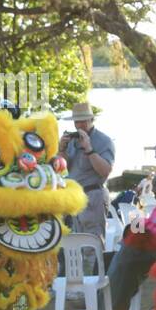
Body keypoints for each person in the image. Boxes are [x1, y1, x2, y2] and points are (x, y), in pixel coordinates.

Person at [106, 172, 156, 310]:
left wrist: (141, 232)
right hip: (145, 247)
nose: (153, 190)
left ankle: (116, 309)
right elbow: (148, 224)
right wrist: (137, 226)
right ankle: (99, 303)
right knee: (106, 258)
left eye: (155, 187)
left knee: (126, 259)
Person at [59, 102, 116, 240]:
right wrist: (61, 149)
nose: (80, 125)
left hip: (93, 196)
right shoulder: (72, 140)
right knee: (71, 243)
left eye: (83, 120)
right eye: (76, 121)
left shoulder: (104, 141)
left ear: (91, 119)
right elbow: (61, 168)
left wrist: (89, 149)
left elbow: (105, 171)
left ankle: (95, 263)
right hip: (72, 198)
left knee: (92, 243)